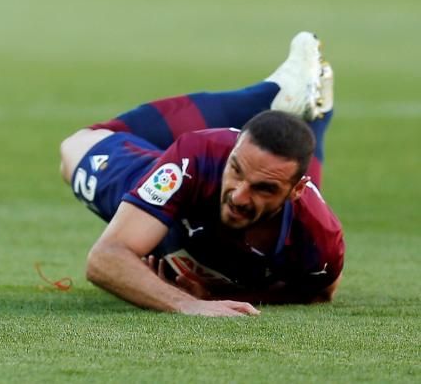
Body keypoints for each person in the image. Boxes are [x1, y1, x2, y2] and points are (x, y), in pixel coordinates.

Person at [59, 32, 343, 317]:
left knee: (291, 173)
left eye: (263, 188)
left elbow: (319, 291)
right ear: (231, 151)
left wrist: (217, 295)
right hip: (167, 192)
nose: (238, 195)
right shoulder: (197, 158)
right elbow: (104, 259)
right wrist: (186, 303)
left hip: (287, 203)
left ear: (295, 191)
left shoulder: (320, 239)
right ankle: (272, 92)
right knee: (76, 145)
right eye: (236, 170)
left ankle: (316, 113)